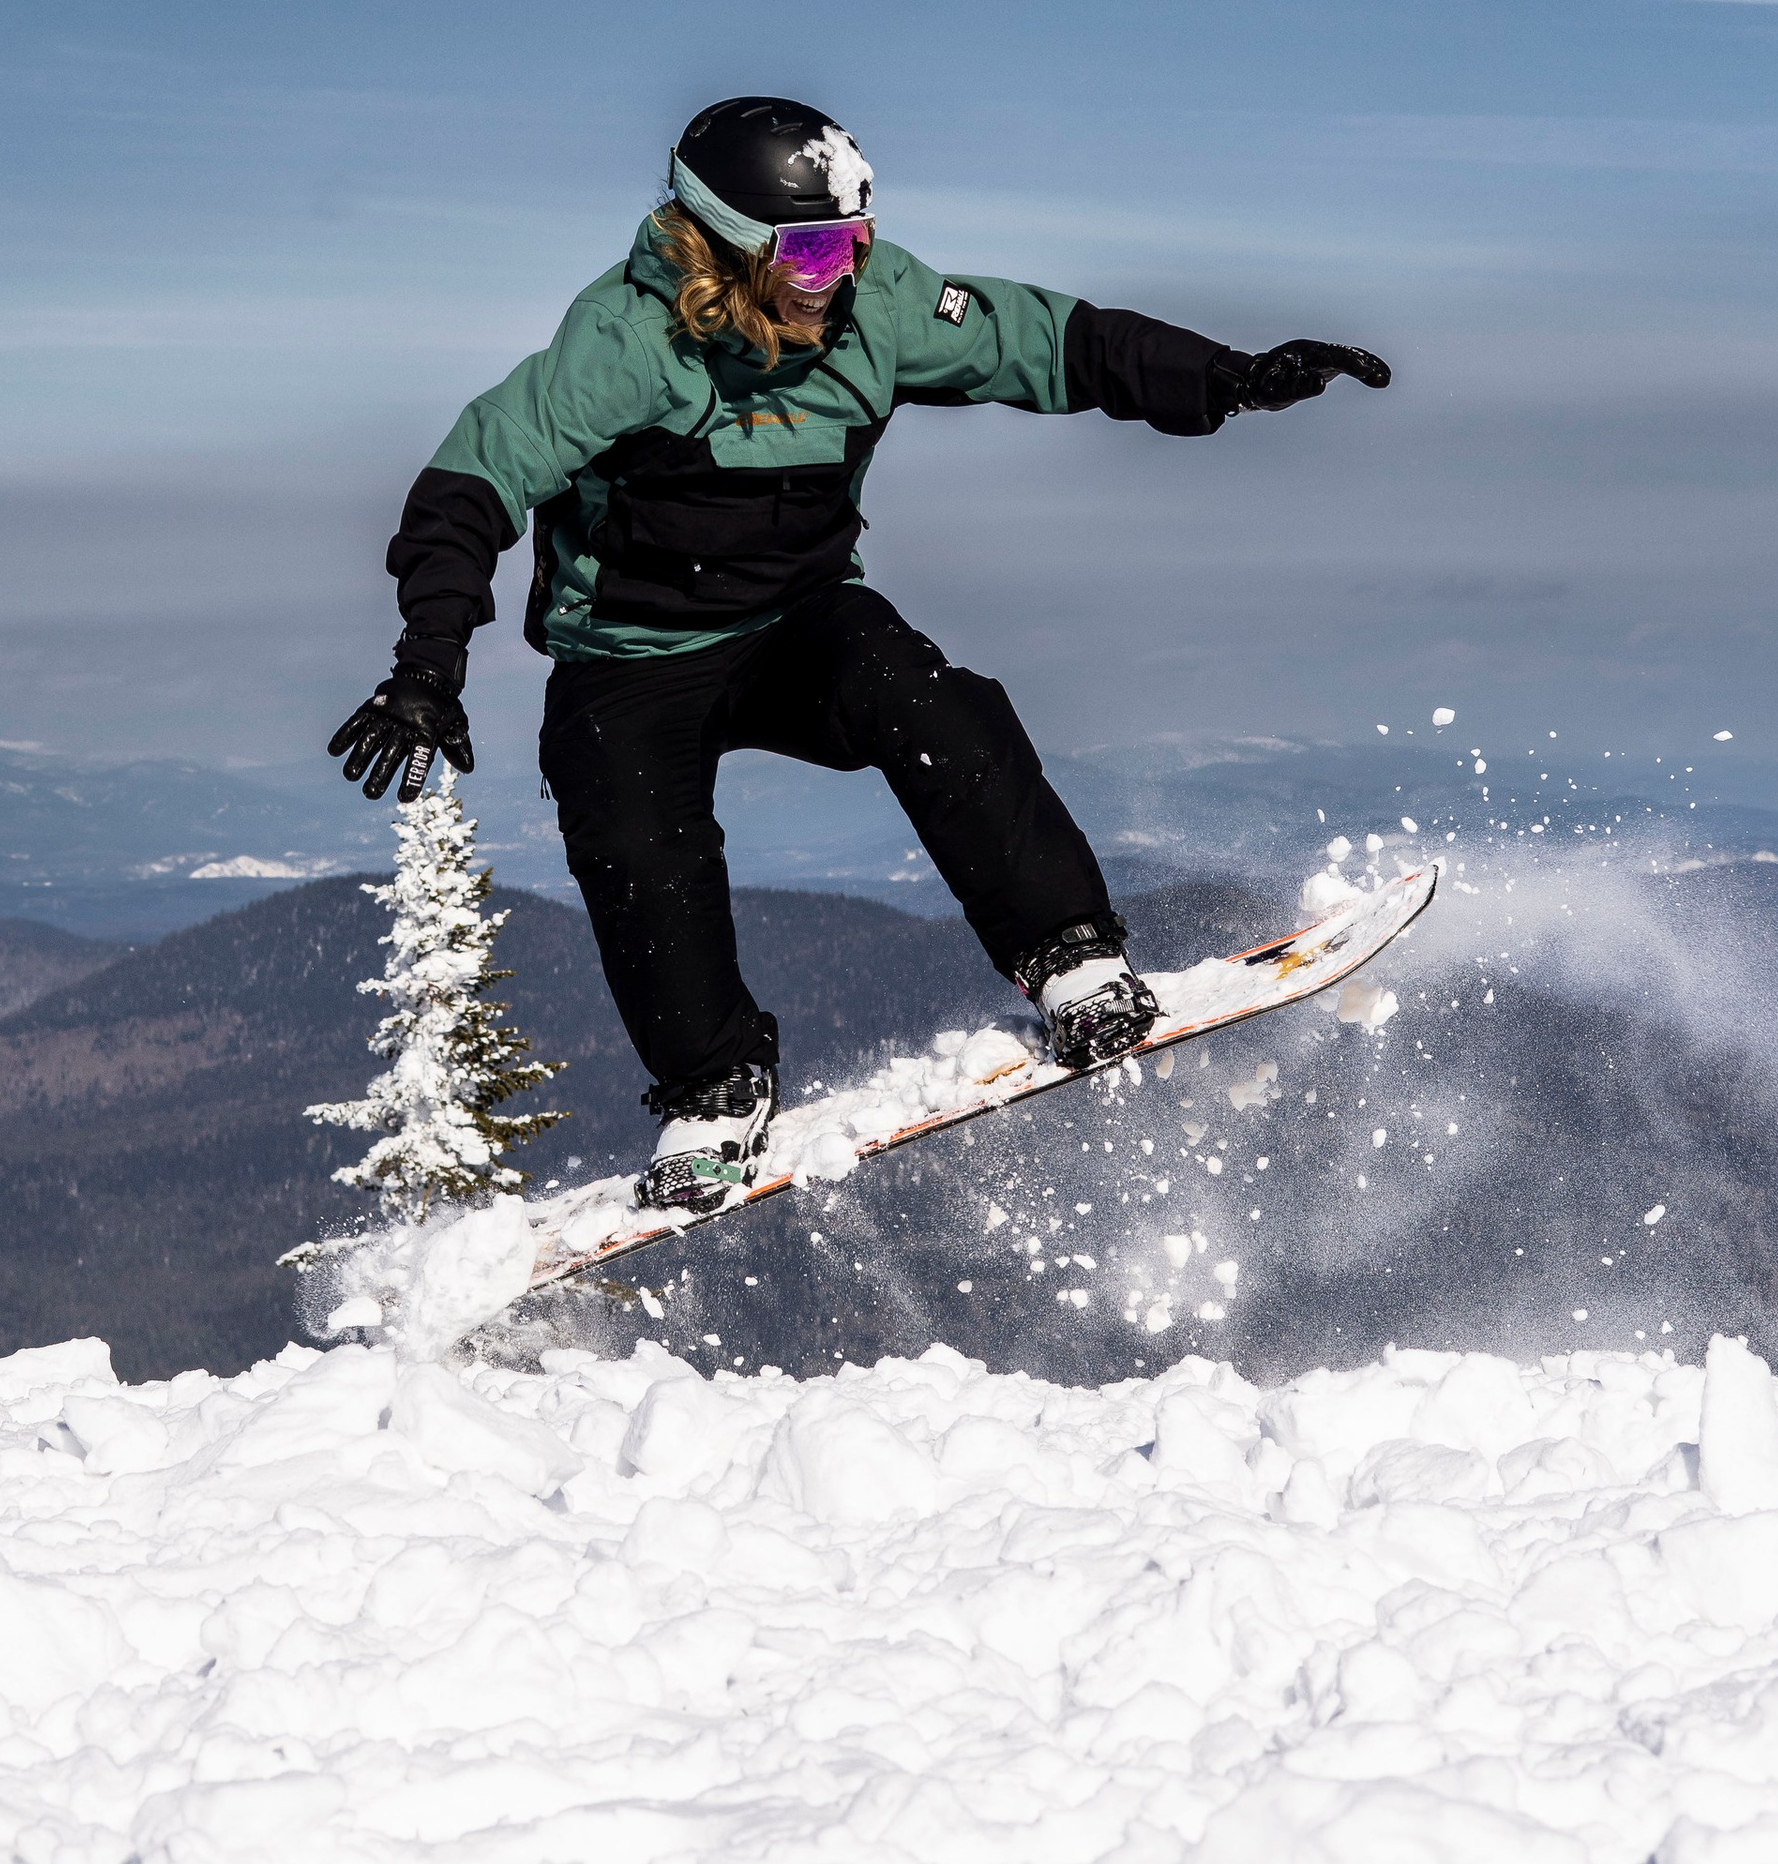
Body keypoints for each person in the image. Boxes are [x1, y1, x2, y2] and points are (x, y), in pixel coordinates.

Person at [327, 96, 1390, 1214]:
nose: (839, 268)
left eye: (856, 234)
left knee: (934, 703)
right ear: (723, 240)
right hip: (630, 651)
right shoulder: (626, 340)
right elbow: (471, 481)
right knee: (631, 831)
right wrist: (429, 656)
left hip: (799, 620)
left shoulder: (876, 303)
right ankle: (714, 1084)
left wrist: (1228, 376)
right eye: (813, 246)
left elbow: (1050, 341)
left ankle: (1067, 953)